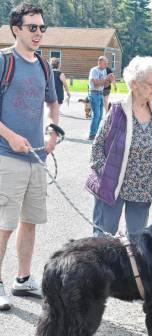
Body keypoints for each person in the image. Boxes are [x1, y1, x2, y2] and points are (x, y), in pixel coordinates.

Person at [0, 3, 58, 310]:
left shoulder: (44, 65)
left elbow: (53, 103)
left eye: (42, 27)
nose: (38, 33)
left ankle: (22, 279)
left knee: (30, 221)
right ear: (16, 30)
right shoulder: (3, 61)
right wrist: (10, 136)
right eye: (32, 27)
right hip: (6, 155)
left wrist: (53, 132)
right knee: (4, 224)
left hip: (37, 158)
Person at [87, 56, 152, 237]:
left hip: (143, 189)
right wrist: (105, 174)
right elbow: (97, 146)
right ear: (134, 84)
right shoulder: (117, 111)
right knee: (102, 239)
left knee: (138, 243)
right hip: (113, 186)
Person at [88, 56, 114, 140]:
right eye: (105, 63)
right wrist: (106, 79)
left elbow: (105, 85)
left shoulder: (104, 71)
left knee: (100, 116)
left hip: (100, 93)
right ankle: (92, 134)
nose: (106, 65)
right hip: (94, 93)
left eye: (107, 63)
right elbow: (95, 83)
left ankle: (96, 133)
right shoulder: (94, 70)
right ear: (99, 62)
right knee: (96, 115)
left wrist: (109, 81)